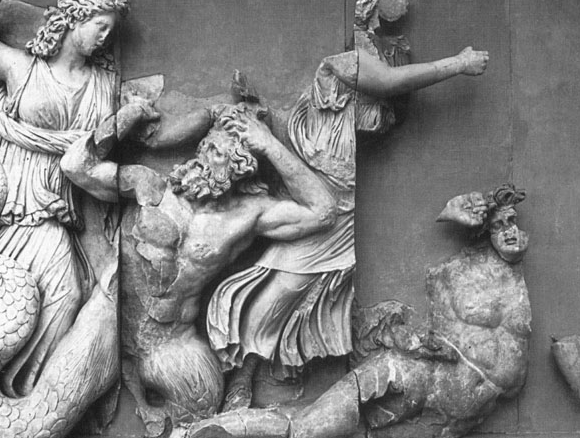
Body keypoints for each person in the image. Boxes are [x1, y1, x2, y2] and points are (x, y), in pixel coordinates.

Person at [206, 0, 491, 410]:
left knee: (306, 298)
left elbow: (384, 97)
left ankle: (279, 376)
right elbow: (387, 81)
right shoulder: (337, 67)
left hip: (336, 211)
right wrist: (458, 63)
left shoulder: (353, 104)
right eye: (381, 51)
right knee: (273, 295)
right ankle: (242, 378)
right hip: (313, 204)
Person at [60, 102, 338, 437]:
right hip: (110, 319)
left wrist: (268, 144)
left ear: (240, 168)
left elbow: (323, 212)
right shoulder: (150, 186)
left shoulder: (246, 217)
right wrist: (122, 121)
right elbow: (76, 166)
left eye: (218, 152)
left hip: (170, 344)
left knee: (202, 416)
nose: (203, 155)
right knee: (56, 409)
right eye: (205, 146)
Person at [189, 184, 531, 438]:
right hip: (415, 376)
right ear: (485, 232)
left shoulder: (512, 281)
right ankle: (219, 429)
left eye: (512, 222)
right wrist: (461, 212)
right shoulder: (460, 272)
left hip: (457, 411)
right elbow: (443, 223)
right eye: (499, 225)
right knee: (308, 428)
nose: (510, 231)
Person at [0, 0, 129, 411]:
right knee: (51, 296)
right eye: (99, 25)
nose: (105, 37)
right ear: (74, 19)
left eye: (111, 31)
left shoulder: (105, 84)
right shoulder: (23, 70)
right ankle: (3, 399)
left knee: (65, 297)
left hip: (61, 208)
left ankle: (25, 403)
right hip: (12, 206)